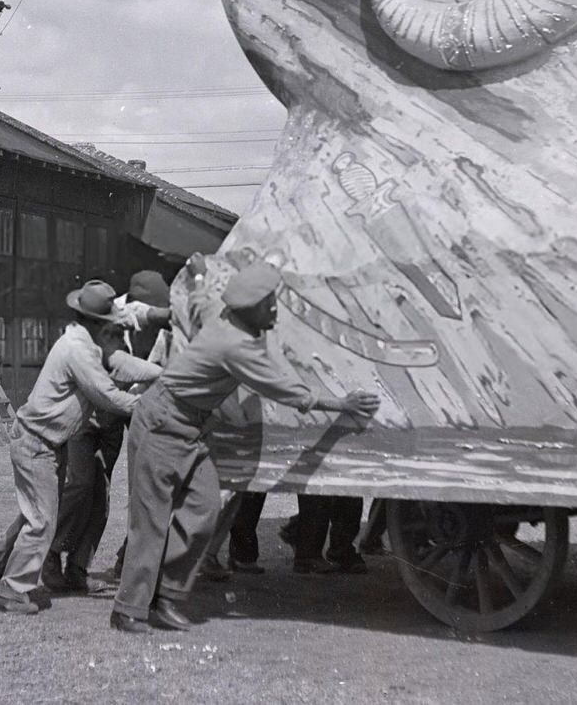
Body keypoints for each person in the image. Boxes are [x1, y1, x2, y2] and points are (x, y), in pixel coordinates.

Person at [109, 261, 380, 633]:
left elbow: (200, 303)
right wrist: (343, 405)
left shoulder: (223, 318)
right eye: (269, 302)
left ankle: (167, 593)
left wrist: (200, 274)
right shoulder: (236, 346)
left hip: (190, 427)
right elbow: (287, 391)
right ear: (249, 308)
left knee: (203, 510)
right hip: (161, 423)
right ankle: (129, 609)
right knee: (151, 519)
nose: (274, 309)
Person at [0, 280, 157, 614]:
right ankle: (13, 590)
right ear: (96, 321)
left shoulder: (88, 343)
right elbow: (106, 394)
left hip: (48, 442)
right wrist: (150, 404)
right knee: (42, 520)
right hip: (36, 442)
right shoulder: (77, 348)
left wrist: (163, 375)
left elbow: (119, 363)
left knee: (38, 513)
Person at [41, 270, 173, 594]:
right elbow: (118, 366)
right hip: (87, 417)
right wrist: (161, 380)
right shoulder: (97, 329)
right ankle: (51, 554)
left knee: (101, 497)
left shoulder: (140, 319)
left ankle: (77, 567)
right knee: (81, 484)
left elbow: (147, 320)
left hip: (115, 418)